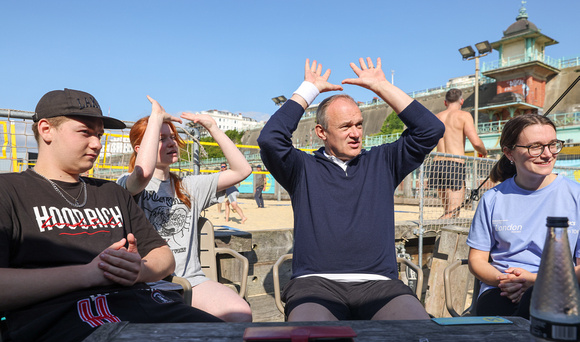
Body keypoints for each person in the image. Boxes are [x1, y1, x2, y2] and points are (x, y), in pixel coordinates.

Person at [0, 89, 222, 342]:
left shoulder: (112, 192)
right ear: (46, 130)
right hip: (65, 329)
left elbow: (164, 256)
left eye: (100, 135)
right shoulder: (9, 191)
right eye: (85, 132)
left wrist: (139, 269)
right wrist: (90, 275)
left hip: (151, 310)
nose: (97, 144)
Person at [258, 58, 445, 321]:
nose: (356, 133)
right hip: (315, 284)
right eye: (346, 126)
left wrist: (381, 86)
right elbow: (269, 140)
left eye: (359, 124)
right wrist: (308, 90)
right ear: (321, 132)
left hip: (380, 284)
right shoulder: (302, 168)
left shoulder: (383, 161)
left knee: (420, 336)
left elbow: (430, 129)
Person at [116, 97, 252, 322]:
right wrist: (156, 119)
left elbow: (242, 169)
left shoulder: (189, 186)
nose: (172, 143)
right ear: (141, 148)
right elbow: (142, 175)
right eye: (162, 139)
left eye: (173, 137)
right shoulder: (126, 184)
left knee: (240, 313)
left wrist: (213, 128)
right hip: (144, 283)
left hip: (190, 280)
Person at [466, 114, 580, 318]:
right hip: (501, 289)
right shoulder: (493, 199)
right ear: (510, 153)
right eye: (535, 147)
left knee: (536, 302)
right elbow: (477, 260)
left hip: (560, 288)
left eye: (553, 144)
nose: (547, 154)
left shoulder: (576, 196)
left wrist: (535, 280)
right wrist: (505, 280)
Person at [430, 88, 488, 218]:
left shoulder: (437, 117)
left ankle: (439, 234)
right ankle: (435, 232)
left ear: (445, 102)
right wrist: (484, 152)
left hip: (437, 164)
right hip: (454, 164)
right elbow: (476, 142)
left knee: (447, 210)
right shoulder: (464, 116)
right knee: (453, 212)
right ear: (461, 101)